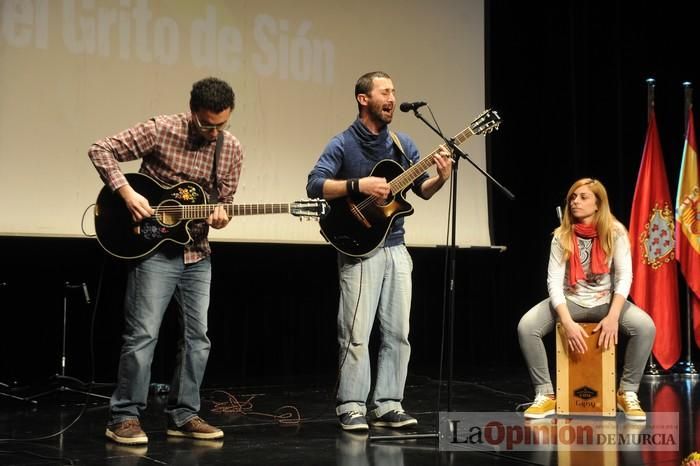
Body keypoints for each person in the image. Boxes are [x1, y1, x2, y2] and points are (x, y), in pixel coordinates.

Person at [88, 77, 244, 444]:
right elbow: (100, 149)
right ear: (193, 113)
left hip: (197, 252)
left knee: (198, 338)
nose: (214, 132)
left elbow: (225, 201)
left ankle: (184, 414)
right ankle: (123, 417)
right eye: (208, 125)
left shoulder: (232, 148)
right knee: (143, 334)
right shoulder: (162, 130)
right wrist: (126, 193)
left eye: (222, 124)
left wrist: (224, 214)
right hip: (153, 248)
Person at [306, 71, 452, 431]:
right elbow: (314, 185)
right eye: (384, 91)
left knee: (398, 332)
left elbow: (423, 190)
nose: (391, 98)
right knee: (356, 331)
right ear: (363, 98)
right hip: (359, 248)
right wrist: (359, 185)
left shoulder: (403, 144)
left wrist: (442, 176)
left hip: (396, 246)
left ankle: (388, 404)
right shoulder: (342, 143)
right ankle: (352, 405)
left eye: (394, 92)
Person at [517, 178, 656, 421]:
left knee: (645, 327)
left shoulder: (615, 232)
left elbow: (625, 277)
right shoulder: (562, 236)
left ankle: (627, 392)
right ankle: (545, 395)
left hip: (605, 302)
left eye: (583, 197)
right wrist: (567, 322)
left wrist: (613, 316)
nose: (575, 202)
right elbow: (553, 282)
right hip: (571, 300)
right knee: (527, 327)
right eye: (572, 197)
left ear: (598, 204)